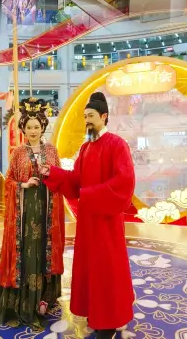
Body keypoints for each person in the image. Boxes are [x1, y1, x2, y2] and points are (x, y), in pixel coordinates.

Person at [39, 92, 135, 339]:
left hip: (106, 221)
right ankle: (96, 314)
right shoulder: (86, 148)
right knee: (93, 269)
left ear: (104, 116)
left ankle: (110, 321)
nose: (87, 121)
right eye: (85, 117)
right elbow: (75, 181)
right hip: (88, 222)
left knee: (107, 269)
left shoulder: (117, 144)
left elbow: (124, 182)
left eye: (91, 116)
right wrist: (53, 172)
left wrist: (89, 194)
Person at [0, 99, 64, 328]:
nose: (34, 131)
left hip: (45, 210)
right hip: (24, 212)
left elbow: (60, 178)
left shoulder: (51, 150)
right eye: (29, 127)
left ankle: (44, 298)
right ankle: (14, 299)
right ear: (24, 130)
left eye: (37, 127)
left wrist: (51, 174)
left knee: (42, 250)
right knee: (25, 251)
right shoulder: (18, 152)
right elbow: (8, 182)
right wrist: (23, 185)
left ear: (43, 127)